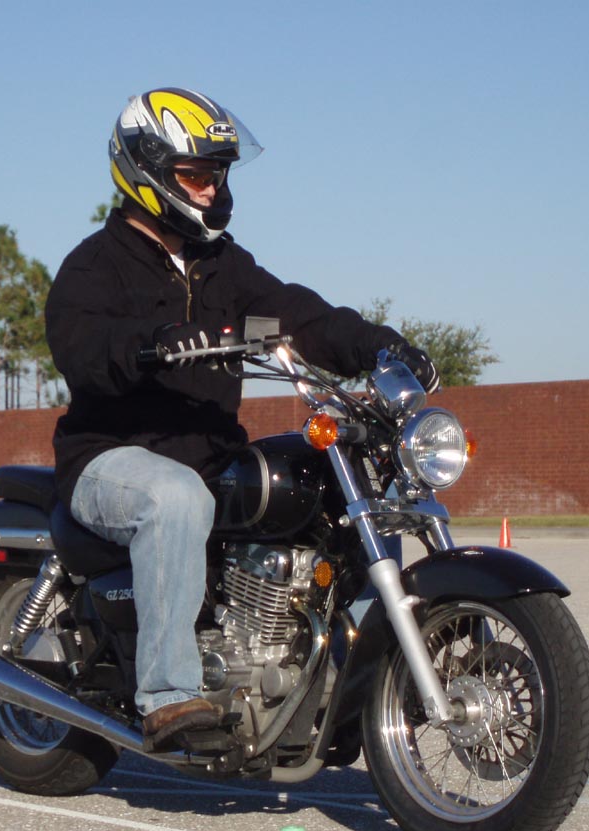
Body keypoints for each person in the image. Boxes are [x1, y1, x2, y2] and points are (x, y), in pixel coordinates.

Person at [44, 87, 439, 749]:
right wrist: (152, 343)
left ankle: (348, 679)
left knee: (318, 483)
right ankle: (168, 694)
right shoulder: (94, 266)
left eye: (218, 175)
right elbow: (82, 349)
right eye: (195, 175)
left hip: (210, 457)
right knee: (175, 497)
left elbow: (300, 315)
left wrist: (378, 346)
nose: (211, 189)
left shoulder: (224, 266)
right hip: (110, 457)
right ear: (146, 171)